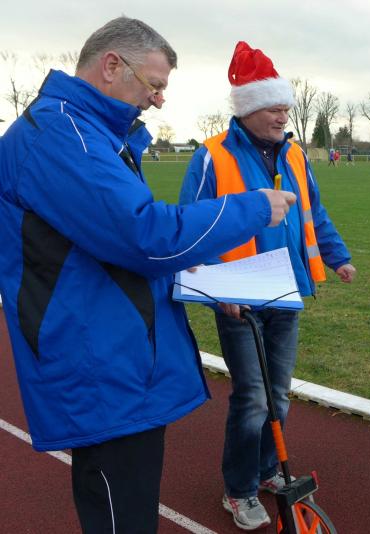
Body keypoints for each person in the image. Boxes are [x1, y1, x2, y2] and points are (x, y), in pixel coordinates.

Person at [0, 17, 296, 533]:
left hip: (117, 353)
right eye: (154, 85)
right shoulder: (63, 135)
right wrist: (252, 208)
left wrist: (196, 272)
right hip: (100, 362)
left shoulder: (86, 130)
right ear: (112, 65)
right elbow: (142, 235)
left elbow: (106, 243)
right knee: (124, 518)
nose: (158, 100)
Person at [180, 41, 355, 531]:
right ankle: (238, 490)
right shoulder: (211, 156)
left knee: (278, 396)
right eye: (275, 107)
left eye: (285, 108)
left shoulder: (295, 154)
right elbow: (192, 226)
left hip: (286, 289)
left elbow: (312, 211)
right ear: (249, 107)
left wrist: (337, 256)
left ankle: (263, 471)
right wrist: (219, 288)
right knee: (253, 397)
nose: (283, 116)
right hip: (237, 296)